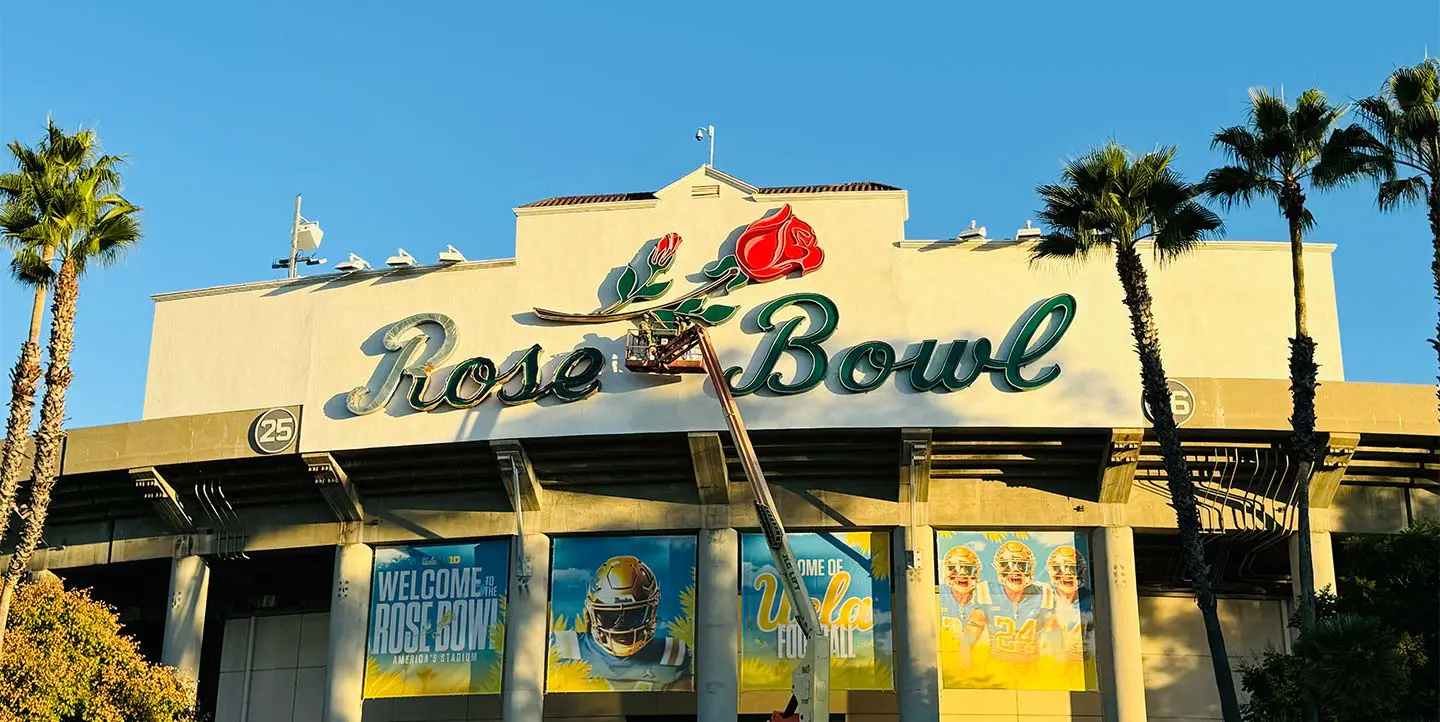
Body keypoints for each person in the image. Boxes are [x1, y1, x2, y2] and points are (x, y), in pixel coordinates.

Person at [551, 555, 690, 690]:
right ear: (591, 613)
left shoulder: (673, 655)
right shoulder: (561, 647)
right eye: (610, 616)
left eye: (634, 615)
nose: (622, 627)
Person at [976, 540, 1055, 682]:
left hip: (1031, 668)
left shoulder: (1045, 594)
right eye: (1008, 565)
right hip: (997, 668)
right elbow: (970, 633)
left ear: (1030, 568)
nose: (1015, 571)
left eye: (1021, 565)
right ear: (999, 567)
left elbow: (1055, 636)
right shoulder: (985, 591)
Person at [939, 545, 990, 669]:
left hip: (979, 669)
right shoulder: (939, 596)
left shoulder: (986, 598)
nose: (962, 574)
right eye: (954, 569)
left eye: (968, 569)